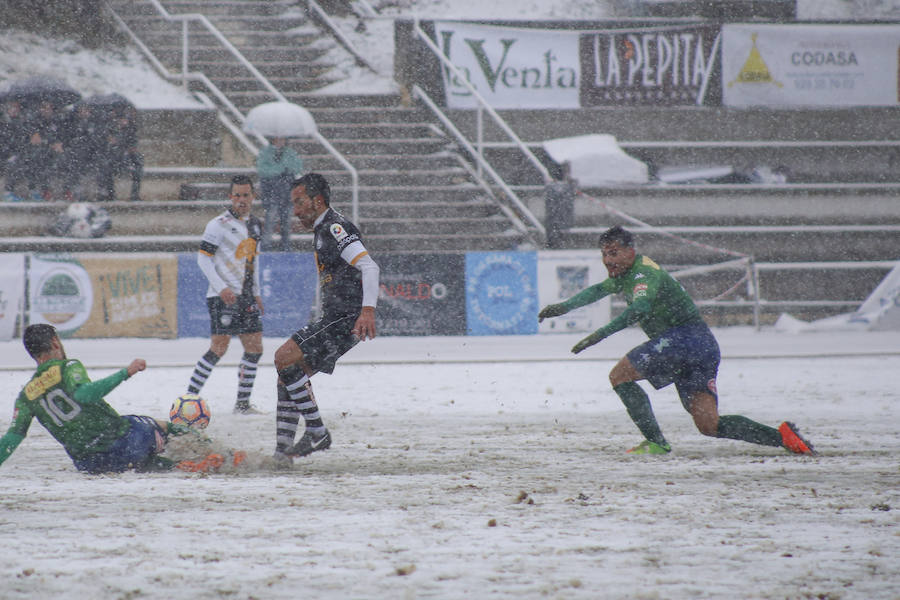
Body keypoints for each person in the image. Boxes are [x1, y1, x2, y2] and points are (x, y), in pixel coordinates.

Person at [538, 225, 816, 456]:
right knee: (709, 425)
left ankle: (656, 442)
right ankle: (784, 437)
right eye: (604, 254)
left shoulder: (643, 274)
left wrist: (598, 336)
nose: (608, 260)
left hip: (683, 339)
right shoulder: (627, 274)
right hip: (703, 345)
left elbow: (638, 310)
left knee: (619, 376)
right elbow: (597, 290)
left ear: (630, 252)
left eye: (614, 253)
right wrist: (563, 308)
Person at [272, 172, 379, 464]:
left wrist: (367, 310)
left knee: (283, 358)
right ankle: (282, 454)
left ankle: (317, 431)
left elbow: (369, 267)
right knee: (288, 377)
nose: (295, 210)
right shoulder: (323, 230)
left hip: (345, 319)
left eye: (299, 202)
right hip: (338, 318)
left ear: (317, 201)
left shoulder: (334, 228)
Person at [0, 324, 176, 473]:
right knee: (159, 426)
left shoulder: (25, 397)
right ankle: (199, 447)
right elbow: (84, 394)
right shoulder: (68, 367)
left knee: (137, 463)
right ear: (55, 342)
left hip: (90, 463)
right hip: (125, 441)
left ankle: (172, 466)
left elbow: (12, 438)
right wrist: (126, 372)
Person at [186, 174, 265, 414]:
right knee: (219, 347)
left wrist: (257, 292)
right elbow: (203, 258)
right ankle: (188, 399)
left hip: (246, 296)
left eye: (246, 195)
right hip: (222, 295)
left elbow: (253, 261)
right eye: (237, 195)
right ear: (230, 197)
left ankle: (242, 404)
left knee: (255, 347)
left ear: (253, 196)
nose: (242, 200)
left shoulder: (256, 225)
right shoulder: (217, 224)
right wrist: (221, 287)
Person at [256, 136, 303, 252]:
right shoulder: (265, 153)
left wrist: (286, 169)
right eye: (277, 138)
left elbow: (297, 167)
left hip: (287, 194)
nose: (280, 141)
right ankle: (265, 246)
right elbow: (262, 170)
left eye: (282, 138)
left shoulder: (290, 153)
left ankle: (285, 246)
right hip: (272, 193)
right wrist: (279, 169)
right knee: (270, 221)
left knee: (286, 223)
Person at [96, 103, 142, 202]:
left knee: (137, 168)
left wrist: (120, 144)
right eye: (121, 119)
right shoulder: (110, 129)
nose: (123, 122)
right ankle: (109, 194)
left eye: (125, 119)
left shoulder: (131, 129)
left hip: (127, 159)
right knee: (105, 168)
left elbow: (132, 145)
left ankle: (134, 195)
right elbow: (104, 145)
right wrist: (111, 142)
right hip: (113, 158)